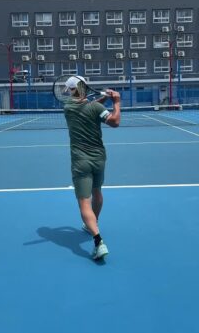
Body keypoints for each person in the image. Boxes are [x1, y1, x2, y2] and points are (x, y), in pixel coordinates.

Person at [62, 76, 121, 260]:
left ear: (74, 90)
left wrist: (106, 100)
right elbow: (114, 121)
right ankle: (93, 224)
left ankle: (98, 241)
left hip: (80, 162)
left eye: (69, 89)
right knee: (97, 192)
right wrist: (116, 102)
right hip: (99, 159)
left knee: (84, 203)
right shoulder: (96, 108)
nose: (68, 92)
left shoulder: (68, 107)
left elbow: (88, 107)